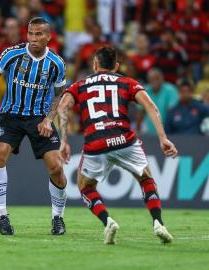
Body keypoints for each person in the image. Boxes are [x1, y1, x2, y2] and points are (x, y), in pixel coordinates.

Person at [58, 46, 177, 245]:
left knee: (85, 186)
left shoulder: (79, 85)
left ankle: (108, 221)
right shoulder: (127, 82)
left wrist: (64, 140)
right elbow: (150, 106)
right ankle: (158, 222)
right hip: (125, 140)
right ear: (117, 66)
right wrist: (163, 138)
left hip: (96, 143)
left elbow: (63, 107)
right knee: (146, 178)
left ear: (95, 65)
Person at [0, 17, 68, 235]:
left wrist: (49, 119)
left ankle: (58, 218)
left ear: (48, 36)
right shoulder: (12, 54)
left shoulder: (56, 63)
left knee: (56, 167)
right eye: (30, 33)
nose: (33, 38)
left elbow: (59, 96)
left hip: (39, 118)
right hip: (11, 116)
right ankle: (2, 215)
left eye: (38, 34)